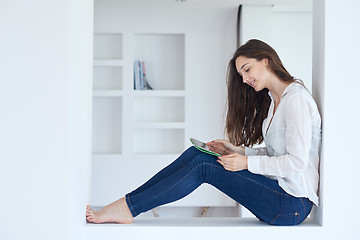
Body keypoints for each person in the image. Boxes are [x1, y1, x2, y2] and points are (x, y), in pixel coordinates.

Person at [86, 39, 321, 226]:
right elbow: (274, 152)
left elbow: (296, 163)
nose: (245, 79)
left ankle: (128, 208)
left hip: (292, 204)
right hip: (280, 194)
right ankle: (127, 204)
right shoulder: (275, 101)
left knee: (203, 167)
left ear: (266, 61)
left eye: (247, 69)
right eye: (241, 75)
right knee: (196, 155)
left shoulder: (296, 100)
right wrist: (237, 150)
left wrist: (245, 163)